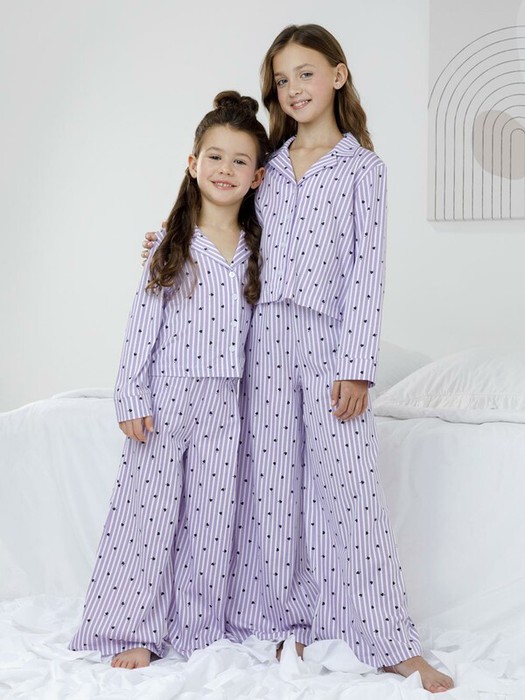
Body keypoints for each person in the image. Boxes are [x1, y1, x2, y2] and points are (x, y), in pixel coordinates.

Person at [142, 25, 454, 693]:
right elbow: (220, 213)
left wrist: (356, 365)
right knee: (272, 487)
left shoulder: (363, 170)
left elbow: (367, 271)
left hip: (327, 341)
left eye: (305, 73)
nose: (293, 88)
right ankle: (288, 618)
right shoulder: (270, 164)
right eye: (282, 79)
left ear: (338, 75)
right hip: (260, 341)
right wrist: (170, 239)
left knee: (350, 489)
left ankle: (390, 640)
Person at [70, 91, 269, 669]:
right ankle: (131, 628)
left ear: (258, 177)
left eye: (240, 161)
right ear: (192, 163)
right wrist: (130, 393)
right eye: (215, 156)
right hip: (166, 398)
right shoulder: (170, 245)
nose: (225, 169)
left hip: (226, 402)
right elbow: (142, 325)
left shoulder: (259, 249)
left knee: (212, 518)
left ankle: (196, 629)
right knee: (149, 517)